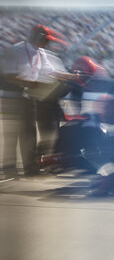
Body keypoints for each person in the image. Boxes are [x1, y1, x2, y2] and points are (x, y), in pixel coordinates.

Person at [0, 24, 70, 178]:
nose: (48, 44)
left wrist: (69, 76)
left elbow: (50, 71)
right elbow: (7, 75)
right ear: (37, 37)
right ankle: (8, 168)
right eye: (46, 40)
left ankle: (30, 168)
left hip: (29, 96)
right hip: (13, 96)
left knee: (29, 132)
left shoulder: (41, 53)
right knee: (12, 134)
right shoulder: (16, 50)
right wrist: (26, 82)